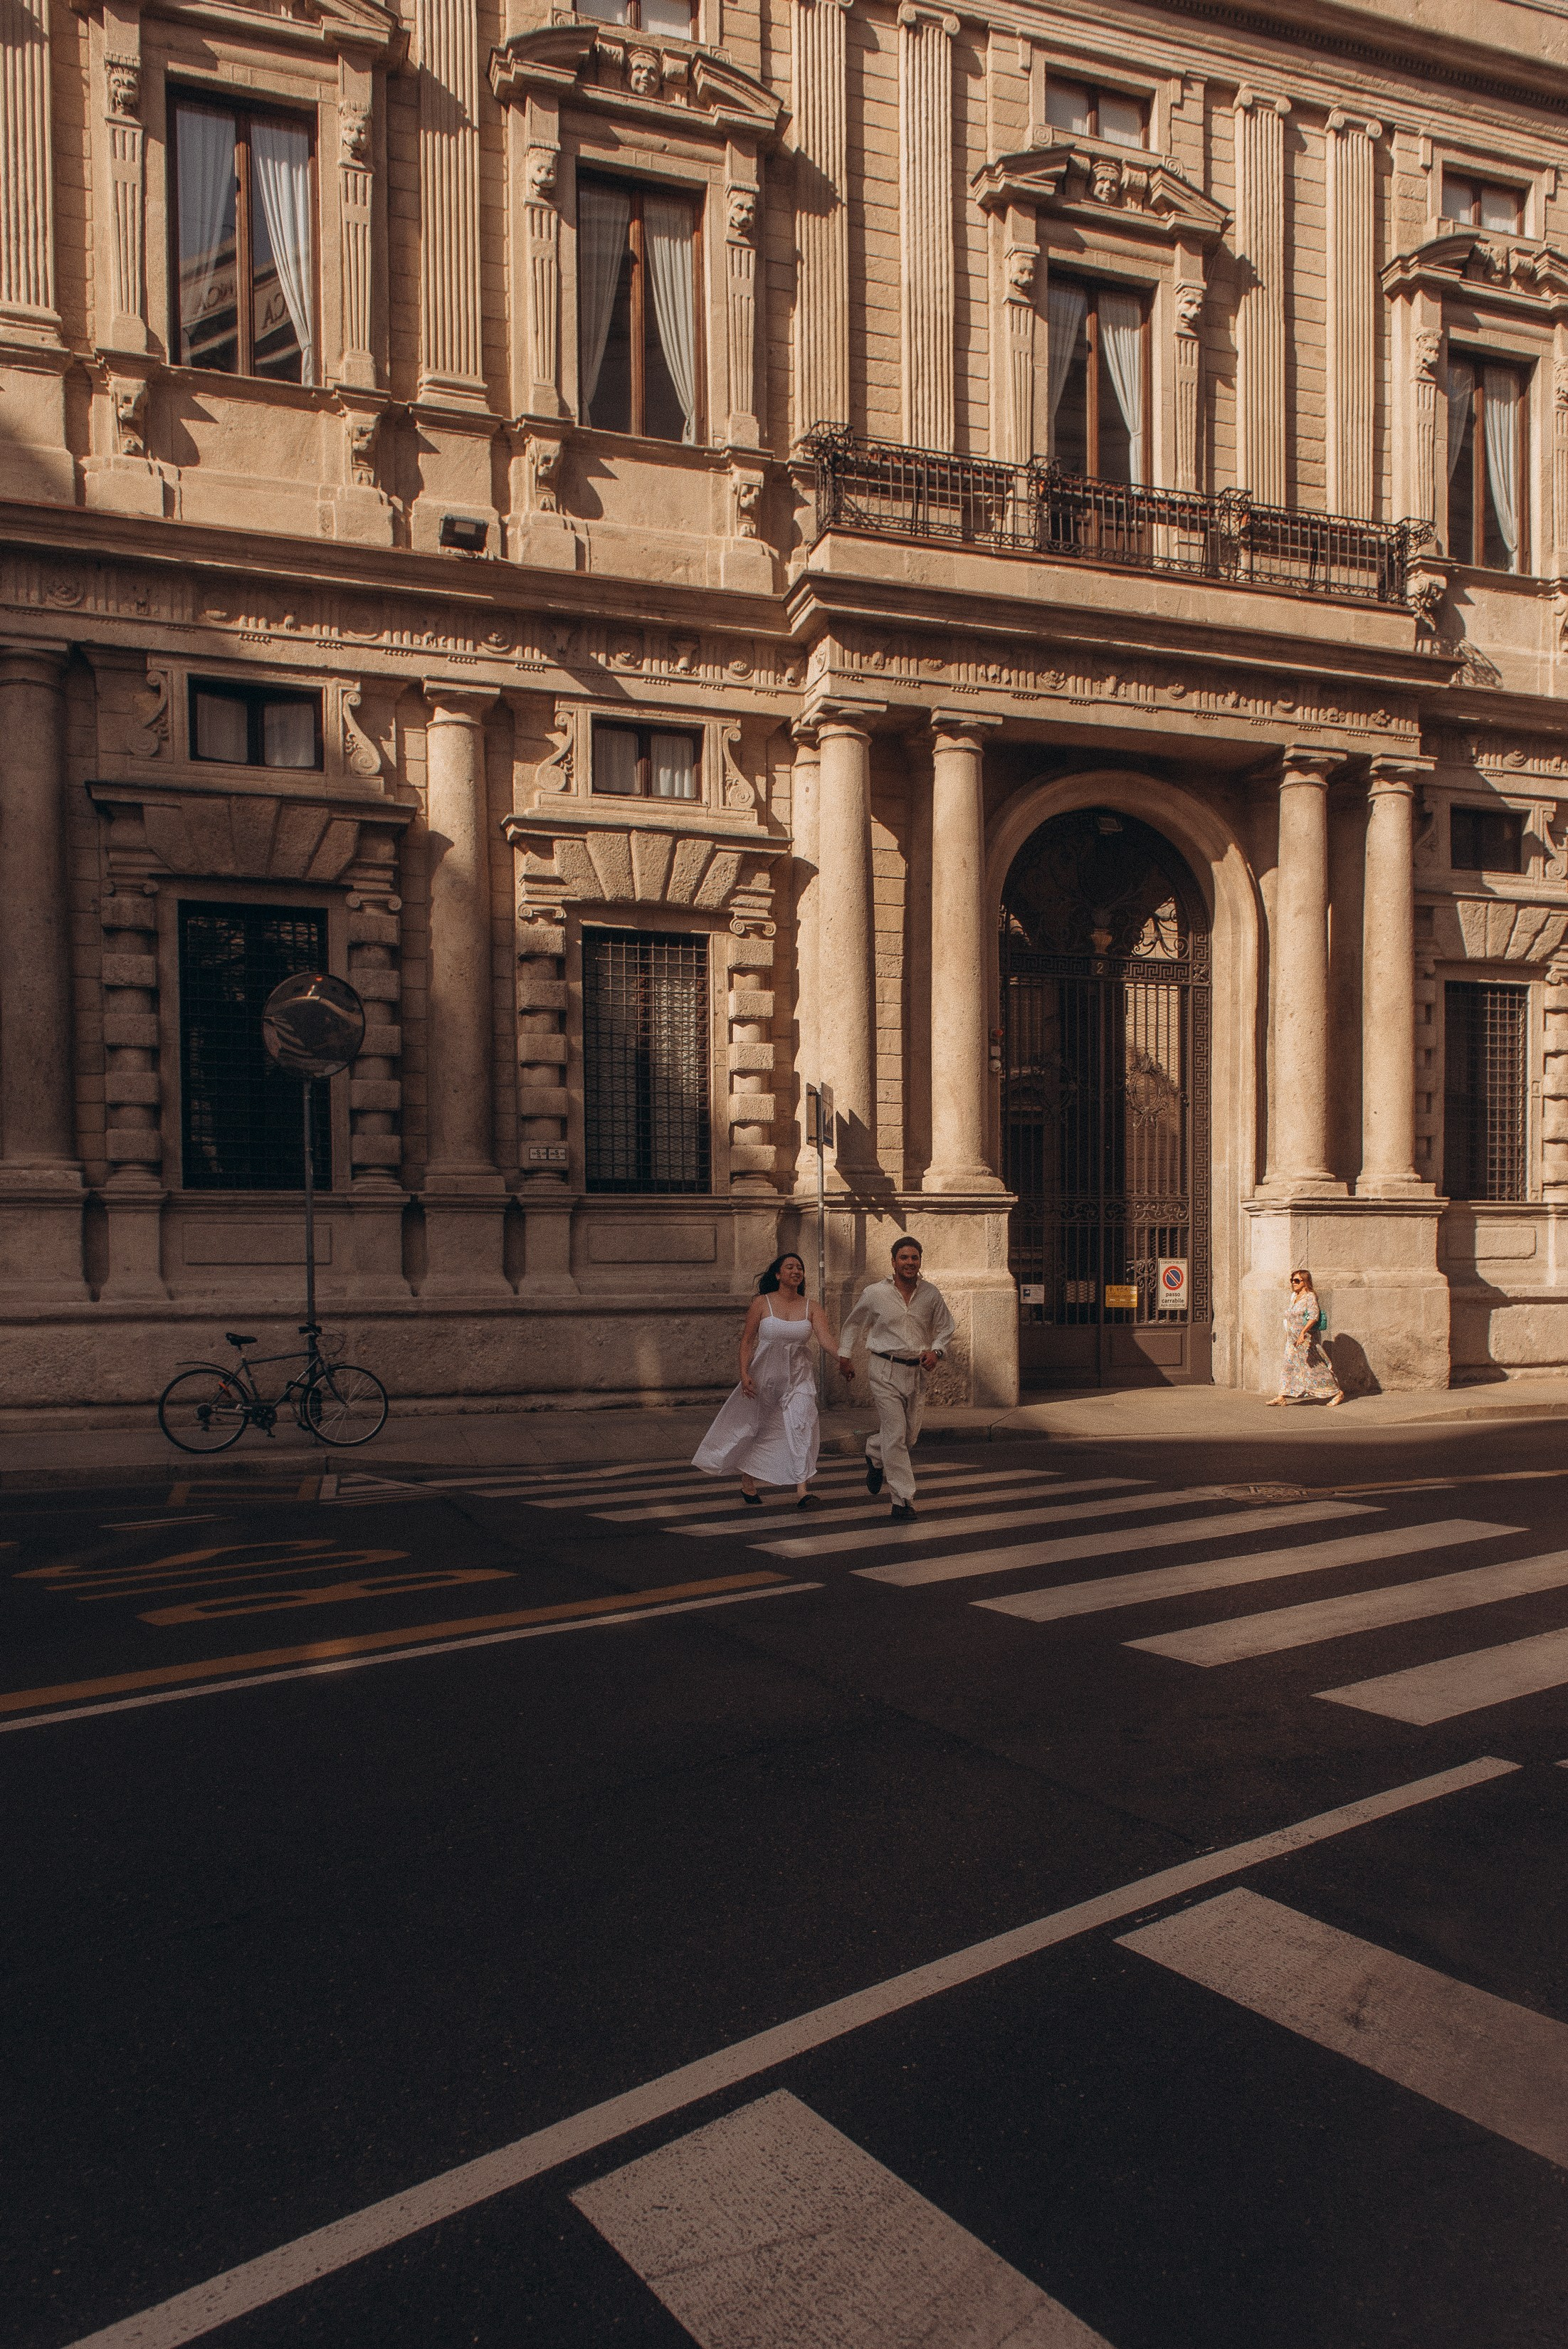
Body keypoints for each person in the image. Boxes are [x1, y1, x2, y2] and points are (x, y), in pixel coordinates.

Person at [693, 1253, 841, 1506]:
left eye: (800, 1268)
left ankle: (802, 1491)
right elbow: (748, 1341)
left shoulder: (812, 1306)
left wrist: (843, 1358)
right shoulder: (762, 1303)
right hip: (765, 1376)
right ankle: (748, 1481)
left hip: (799, 1377)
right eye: (790, 1267)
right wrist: (744, 1373)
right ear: (778, 1274)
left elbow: (824, 1337)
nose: (796, 1271)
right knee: (757, 1428)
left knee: (802, 1424)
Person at [836, 1236, 954, 1518]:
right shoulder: (875, 1293)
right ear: (893, 1262)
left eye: (914, 1258)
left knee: (907, 1437)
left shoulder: (931, 1294)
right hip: (883, 1369)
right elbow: (853, 1323)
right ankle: (902, 1500)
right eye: (904, 1258)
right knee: (896, 1434)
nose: (910, 1263)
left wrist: (936, 1352)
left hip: (915, 1372)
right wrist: (845, 1355)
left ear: (920, 1261)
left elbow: (945, 1328)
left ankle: (875, 1453)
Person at [1267, 1266, 1345, 1407]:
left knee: (1317, 1368)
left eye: (1297, 1280)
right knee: (1288, 1366)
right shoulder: (1294, 1297)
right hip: (1292, 1340)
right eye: (1292, 1280)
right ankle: (1282, 1396)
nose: (1293, 1283)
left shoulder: (1310, 1296)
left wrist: (1303, 1332)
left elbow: (1314, 1317)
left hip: (1307, 1341)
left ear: (1305, 1281)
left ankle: (1337, 1393)